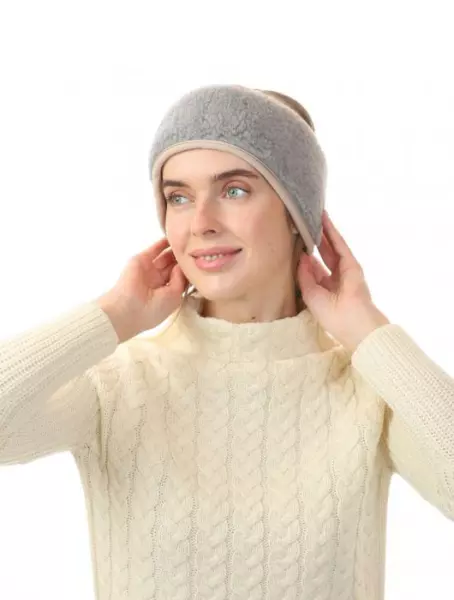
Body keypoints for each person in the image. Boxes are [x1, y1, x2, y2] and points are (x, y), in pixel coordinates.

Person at [0, 84, 453, 600]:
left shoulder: (368, 389)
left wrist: (368, 330)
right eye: (178, 197)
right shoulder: (117, 383)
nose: (201, 224)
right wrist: (114, 315)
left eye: (234, 190)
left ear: (297, 213)